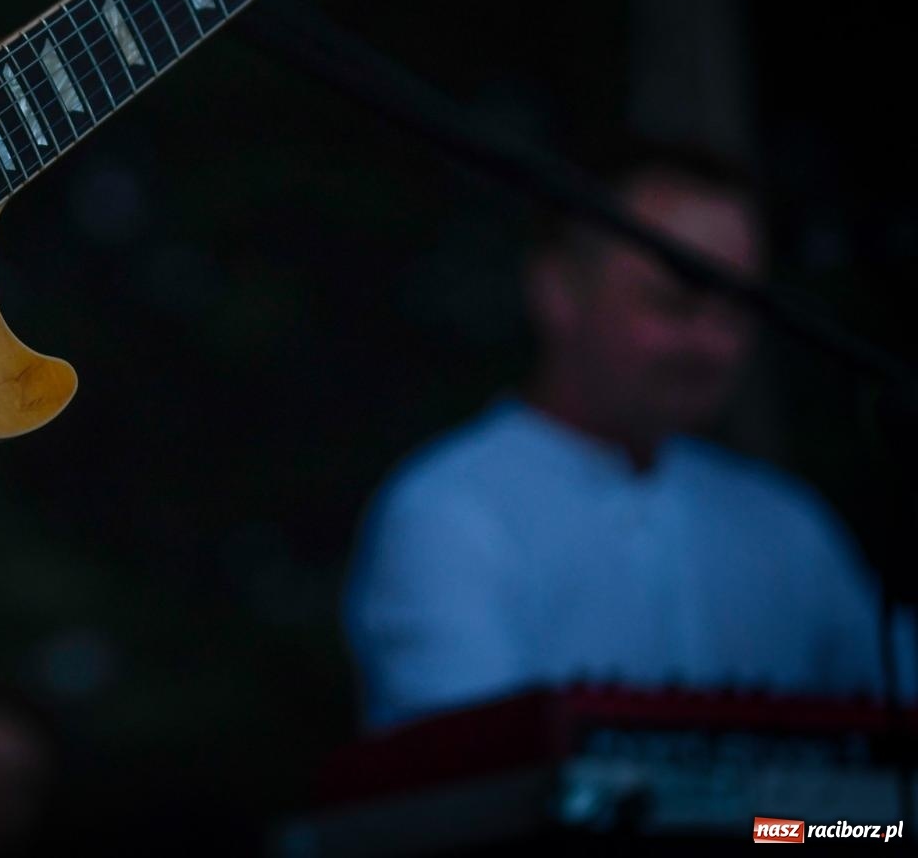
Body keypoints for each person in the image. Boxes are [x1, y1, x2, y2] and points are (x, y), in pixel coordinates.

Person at [342, 144, 902, 729]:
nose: (711, 344)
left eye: (737, 310)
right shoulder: (451, 511)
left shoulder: (785, 523)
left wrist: (798, 827)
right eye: (674, 305)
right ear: (558, 290)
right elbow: (472, 786)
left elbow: (871, 794)